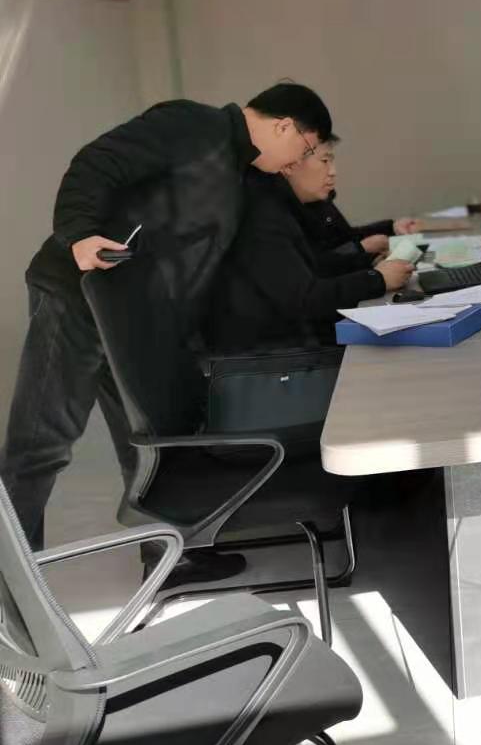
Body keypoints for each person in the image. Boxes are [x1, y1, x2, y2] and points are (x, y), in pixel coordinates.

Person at [0, 83, 332, 552]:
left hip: (129, 315)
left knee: (143, 444)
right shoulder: (194, 124)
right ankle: (13, 584)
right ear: (283, 127)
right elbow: (97, 162)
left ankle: (168, 558)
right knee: (42, 440)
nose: (300, 161)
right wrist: (80, 234)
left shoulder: (236, 168)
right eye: (307, 147)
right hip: (78, 293)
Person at [207, 138, 415, 353]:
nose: (333, 172)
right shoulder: (265, 216)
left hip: (291, 344)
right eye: (325, 161)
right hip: (274, 356)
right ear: (290, 165)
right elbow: (306, 296)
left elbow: (320, 262)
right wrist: (376, 278)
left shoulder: (292, 205)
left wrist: (368, 261)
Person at [296, 142, 422, 260]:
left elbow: (345, 237)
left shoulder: (319, 200)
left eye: (331, 161)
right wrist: (361, 249)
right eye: (324, 161)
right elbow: (314, 265)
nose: (333, 172)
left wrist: (391, 227)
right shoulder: (289, 213)